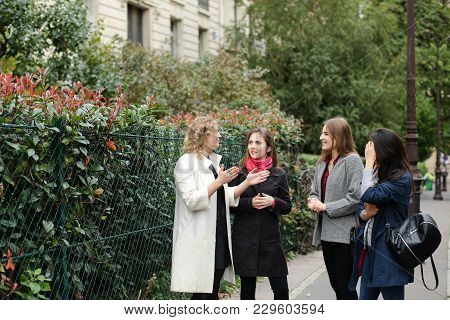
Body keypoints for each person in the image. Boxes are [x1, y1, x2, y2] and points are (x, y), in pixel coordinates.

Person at [171, 116, 270, 299]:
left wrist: (247, 182)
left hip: (218, 237)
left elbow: (225, 196)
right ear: (203, 135)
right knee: (201, 296)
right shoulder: (186, 162)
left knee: (212, 293)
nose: (220, 135)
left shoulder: (211, 162)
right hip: (200, 239)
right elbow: (192, 200)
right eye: (216, 132)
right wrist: (219, 182)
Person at [349, 128, 414, 300]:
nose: (369, 153)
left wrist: (368, 164)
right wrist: (365, 214)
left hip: (389, 254)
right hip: (370, 251)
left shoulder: (402, 179)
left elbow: (368, 194)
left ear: (386, 151)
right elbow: (361, 204)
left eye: (373, 149)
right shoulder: (378, 174)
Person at [229, 127, 292, 300]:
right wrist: (250, 203)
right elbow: (228, 205)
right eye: (250, 142)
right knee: (247, 292)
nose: (253, 146)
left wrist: (273, 202)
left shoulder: (278, 174)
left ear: (269, 147)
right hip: (245, 239)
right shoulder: (240, 173)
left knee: (281, 290)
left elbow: (287, 206)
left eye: (258, 142)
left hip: (270, 240)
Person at [308, 117, 363, 300]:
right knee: (335, 285)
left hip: (345, 234)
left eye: (326, 134)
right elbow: (314, 191)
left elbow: (355, 198)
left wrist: (325, 206)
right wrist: (313, 201)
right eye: (322, 133)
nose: (321, 137)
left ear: (338, 137)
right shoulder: (322, 163)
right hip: (326, 232)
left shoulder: (352, 161)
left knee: (345, 287)